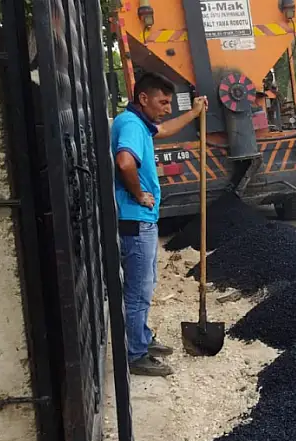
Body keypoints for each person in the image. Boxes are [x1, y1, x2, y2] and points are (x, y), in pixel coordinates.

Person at [111, 72, 207, 376]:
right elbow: (125, 162)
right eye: (163, 102)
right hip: (135, 221)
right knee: (138, 291)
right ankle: (136, 355)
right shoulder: (129, 124)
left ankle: (142, 338)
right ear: (143, 98)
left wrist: (193, 113)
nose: (167, 108)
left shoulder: (139, 123)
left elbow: (164, 129)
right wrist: (140, 195)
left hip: (143, 222)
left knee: (146, 284)